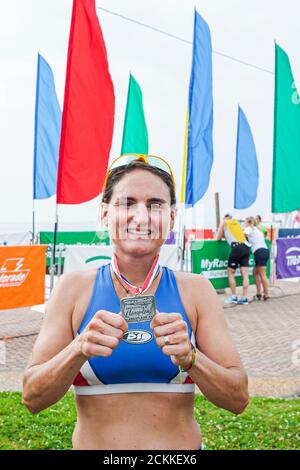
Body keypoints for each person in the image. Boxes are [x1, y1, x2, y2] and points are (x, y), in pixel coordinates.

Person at [22, 154, 249, 450]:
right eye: (127, 203)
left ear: (171, 217)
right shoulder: (73, 288)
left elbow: (238, 399)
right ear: (105, 213)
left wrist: (192, 358)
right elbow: (32, 397)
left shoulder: (196, 290)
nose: (141, 217)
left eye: (155, 205)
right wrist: (77, 349)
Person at [216, 215, 250, 305]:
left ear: (224, 217)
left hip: (236, 247)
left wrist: (223, 234)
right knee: (245, 274)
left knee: (231, 272)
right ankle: (245, 297)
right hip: (246, 246)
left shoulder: (224, 222)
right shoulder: (236, 223)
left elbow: (217, 237)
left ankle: (234, 297)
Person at [244, 217, 270, 301]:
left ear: (248, 222)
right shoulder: (257, 229)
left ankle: (266, 294)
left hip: (259, 252)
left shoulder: (249, 228)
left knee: (262, 274)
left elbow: (242, 234)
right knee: (255, 272)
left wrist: (246, 241)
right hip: (265, 251)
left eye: (245, 222)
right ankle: (259, 293)